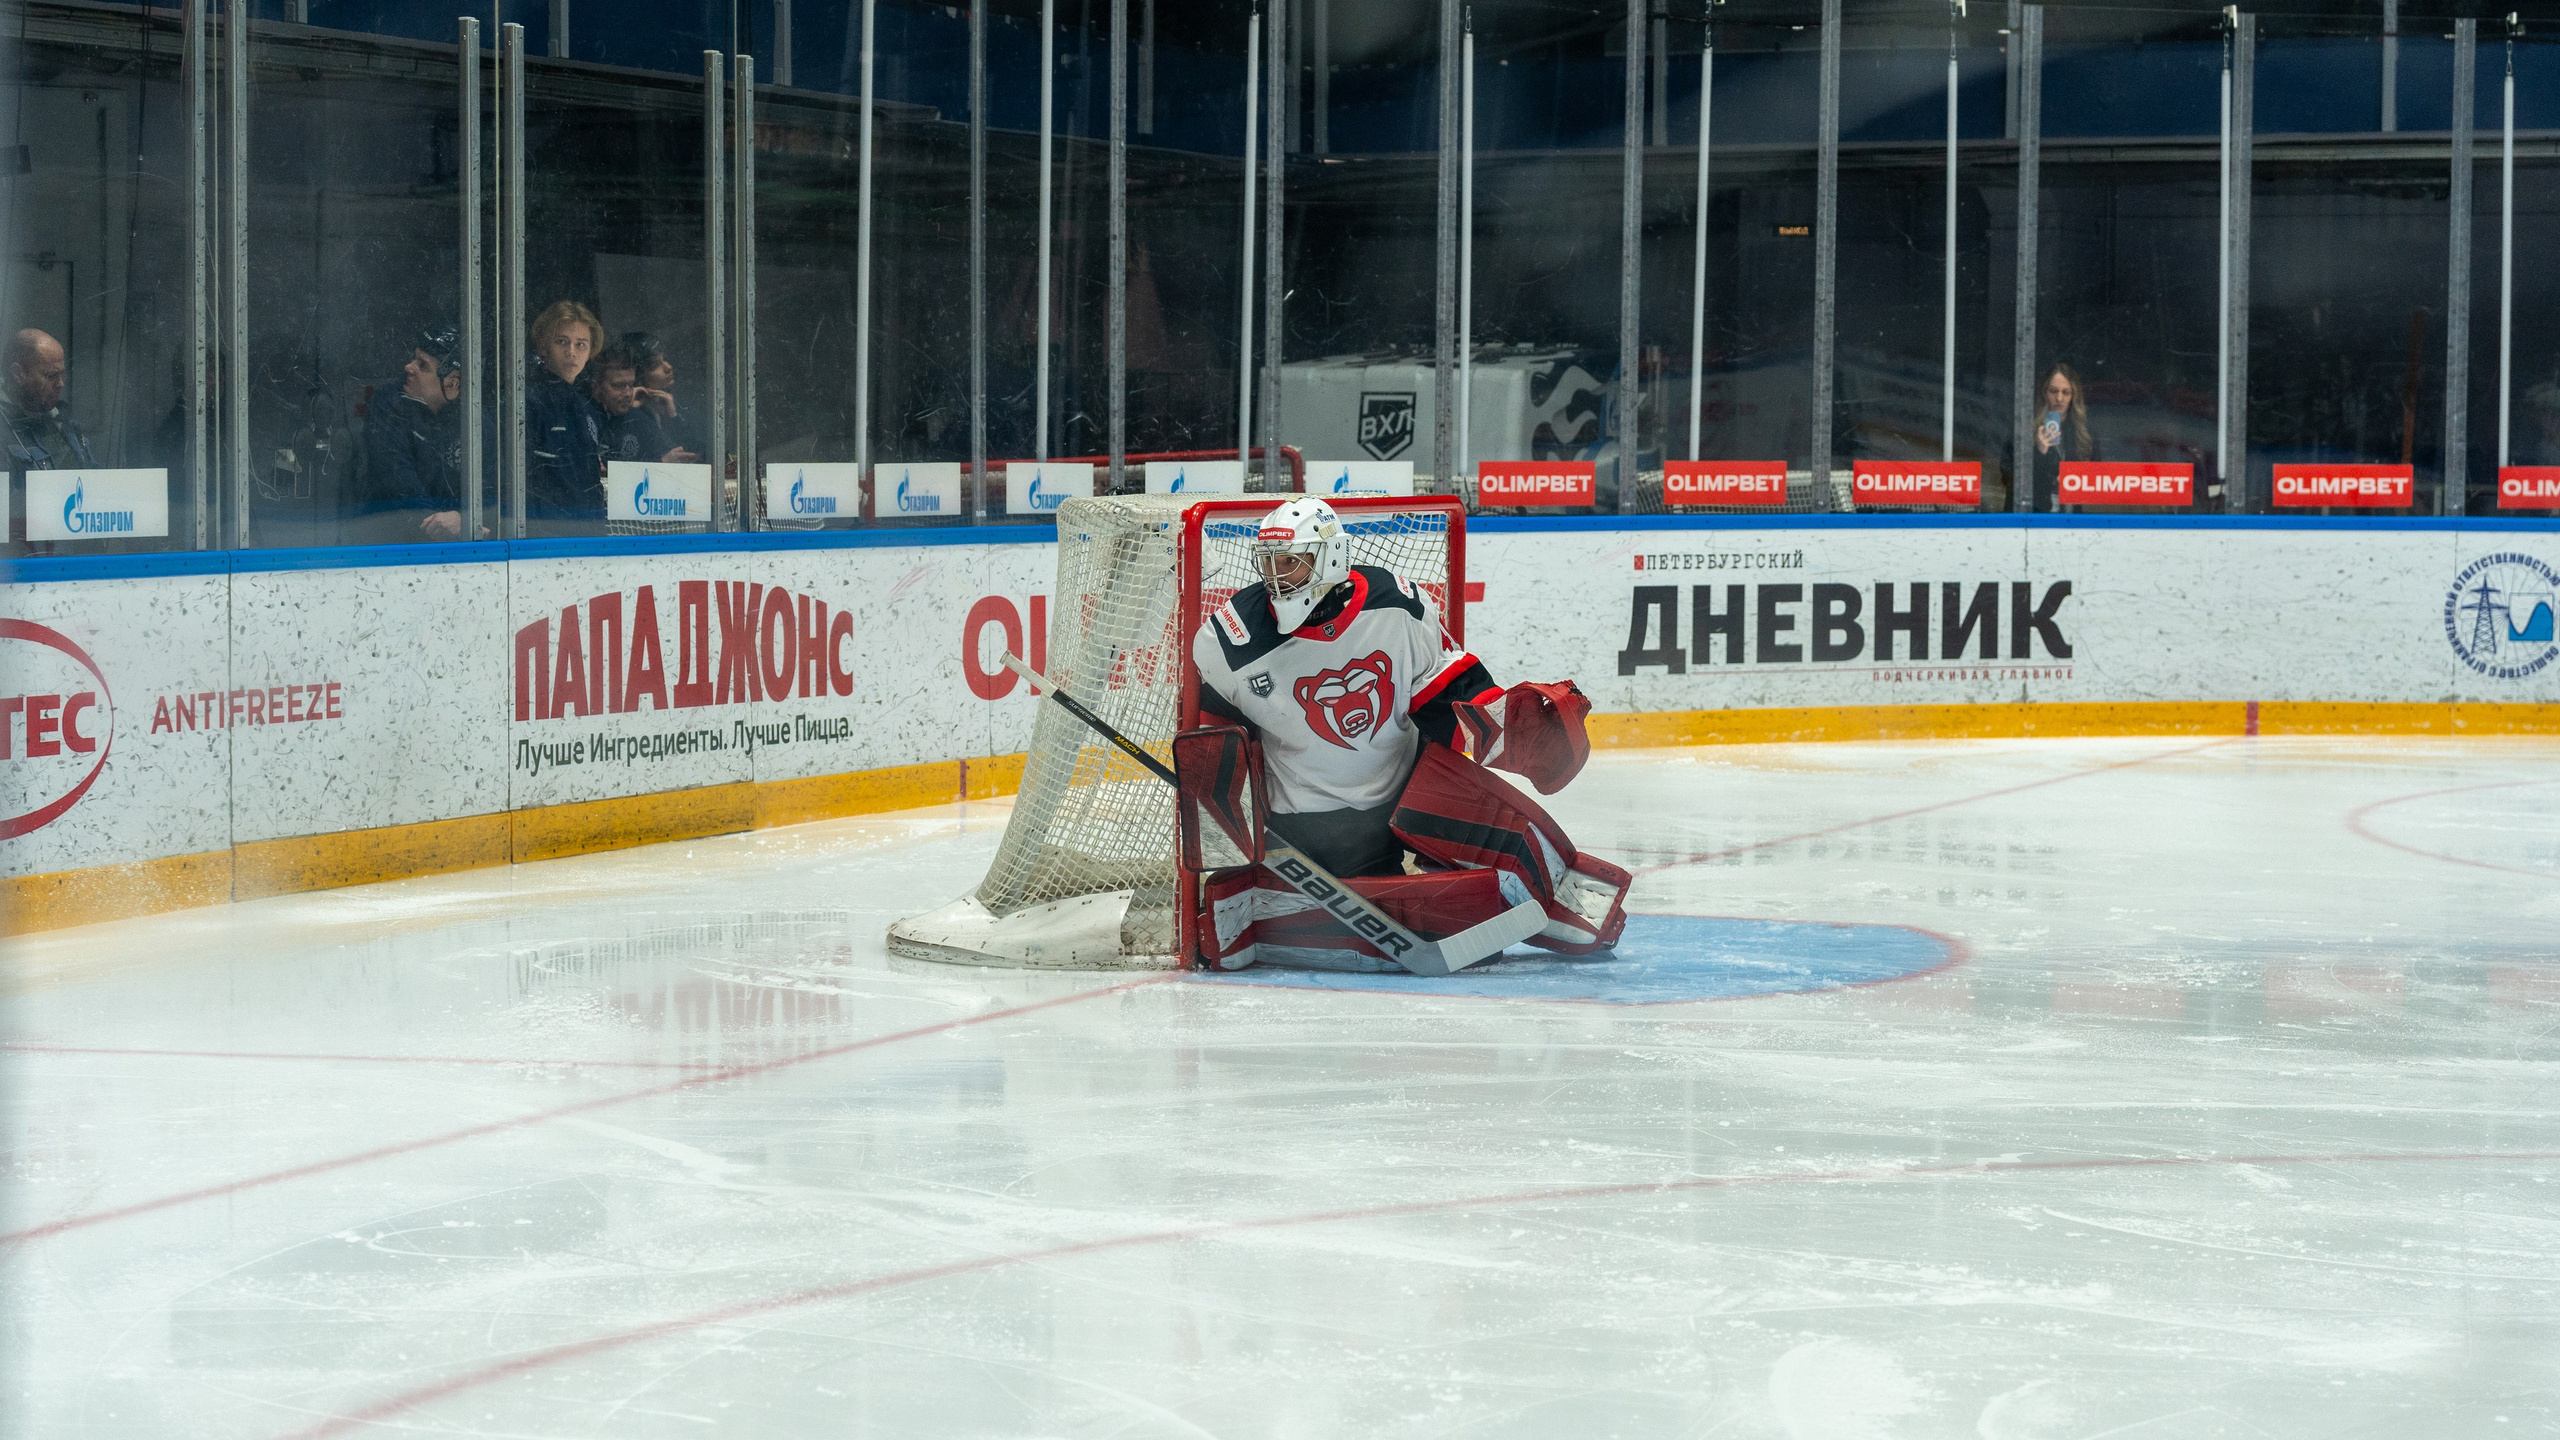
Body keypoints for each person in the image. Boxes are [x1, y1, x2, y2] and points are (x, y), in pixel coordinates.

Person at [1184, 495, 1631, 972]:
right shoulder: (1231, 641)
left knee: (1508, 858)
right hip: (1304, 824)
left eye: (1291, 564)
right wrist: (1226, 820)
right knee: (1400, 922)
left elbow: (1446, 697)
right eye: (1269, 563)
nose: (1277, 578)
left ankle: (1580, 913)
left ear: (1331, 558)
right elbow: (1221, 740)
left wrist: (1508, 725)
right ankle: (1263, 904)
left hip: (1401, 803)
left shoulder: (1396, 604)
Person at [359, 324, 478, 542]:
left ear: (452, 384)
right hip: (387, 546)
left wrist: (465, 518)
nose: (408, 367)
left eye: (422, 365)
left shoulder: (475, 420)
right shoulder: (387, 403)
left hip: (452, 548)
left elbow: (493, 489)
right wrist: (448, 525)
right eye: (414, 359)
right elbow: (399, 484)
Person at [526, 301, 606, 525]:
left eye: (581, 344)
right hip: (546, 537)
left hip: (587, 535)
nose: (572, 352)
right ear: (543, 346)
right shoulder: (529, 402)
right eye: (562, 341)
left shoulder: (586, 408)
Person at [587, 343, 698, 466]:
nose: (628, 393)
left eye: (631, 385)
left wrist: (672, 418)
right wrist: (659, 464)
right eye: (619, 386)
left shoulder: (637, 419)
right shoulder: (583, 416)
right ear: (596, 387)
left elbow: (691, 455)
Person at [2029, 360, 2097, 512]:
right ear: (2044, 393)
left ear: (2074, 395)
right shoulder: (2027, 428)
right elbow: (2010, 475)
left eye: (2066, 392)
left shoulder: (2085, 432)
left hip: (2074, 515)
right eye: (2053, 391)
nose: (2059, 399)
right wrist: (2040, 452)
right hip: (2038, 514)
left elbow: (2097, 478)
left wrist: (2076, 478)